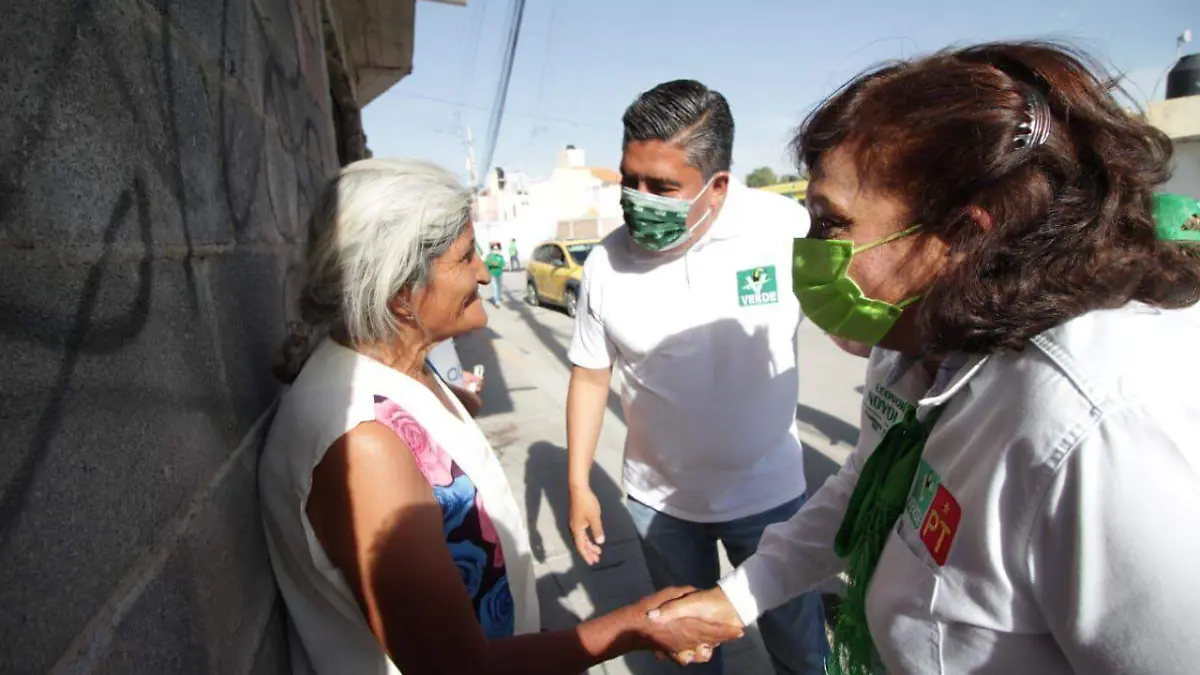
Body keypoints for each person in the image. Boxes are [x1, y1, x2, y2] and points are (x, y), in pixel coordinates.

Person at [648, 42, 1200, 675]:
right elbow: (868, 482)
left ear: (963, 237)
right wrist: (737, 599)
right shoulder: (917, 343)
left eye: (831, 223)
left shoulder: (1099, 432)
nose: (808, 250)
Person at [258, 158, 742, 675]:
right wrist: (636, 627)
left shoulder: (396, 372)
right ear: (402, 294)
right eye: (466, 257)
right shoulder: (364, 447)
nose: (486, 273)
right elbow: (458, 668)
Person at [566, 80, 830, 674]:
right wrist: (578, 482)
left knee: (799, 646)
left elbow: (852, 323)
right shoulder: (607, 262)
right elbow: (589, 375)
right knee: (688, 651)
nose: (638, 200)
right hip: (660, 508)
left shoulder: (784, 229)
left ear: (717, 186)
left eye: (661, 188)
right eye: (629, 181)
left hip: (771, 500)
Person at [485, 242, 506, 307]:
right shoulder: (489, 256)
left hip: (499, 273)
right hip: (492, 274)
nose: (495, 250)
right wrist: (492, 263)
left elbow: (503, 264)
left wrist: (497, 264)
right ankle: (496, 301)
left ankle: (498, 298)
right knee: (495, 287)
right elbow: (486, 263)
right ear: (492, 249)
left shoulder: (500, 256)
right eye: (494, 249)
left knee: (499, 287)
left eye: (497, 249)